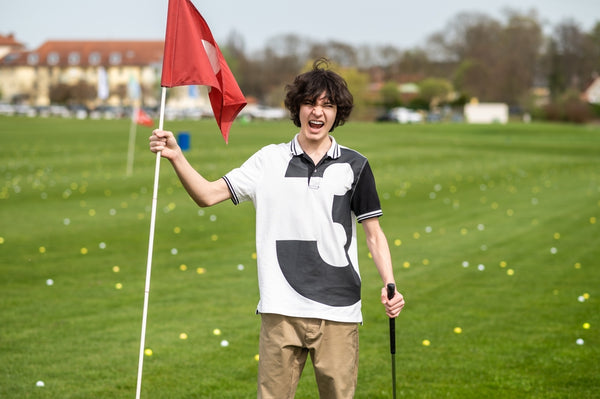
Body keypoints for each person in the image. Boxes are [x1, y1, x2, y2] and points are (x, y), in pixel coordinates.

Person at [149, 58, 405, 399]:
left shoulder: (356, 165)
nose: (318, 112)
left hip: (338, 312)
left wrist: (389, 283)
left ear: (337, 113)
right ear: (297, 108)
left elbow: (373, 233)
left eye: (327, 105)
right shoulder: (267, 160)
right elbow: (208, 196)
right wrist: (177, 157)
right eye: (310, 103)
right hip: (280, 310)